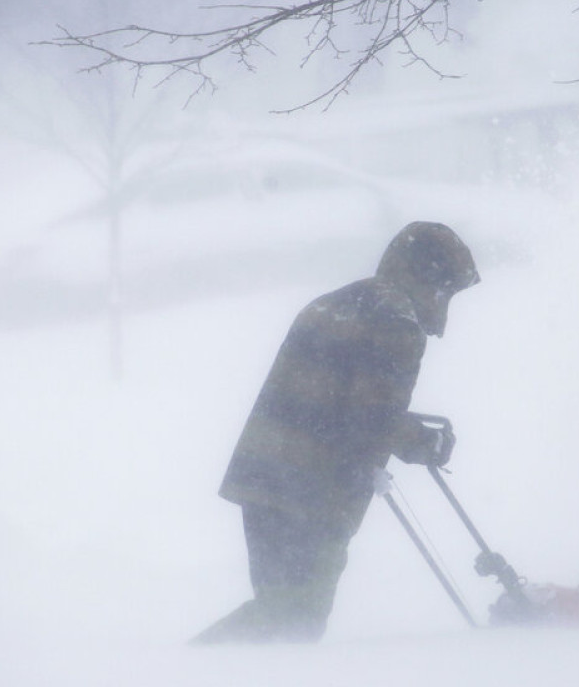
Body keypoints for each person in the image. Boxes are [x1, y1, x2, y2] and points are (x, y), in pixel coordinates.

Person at [192, 222, 480, 644]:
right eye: (447, 288)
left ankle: (195, 668)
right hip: (314, 490)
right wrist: (425, 443)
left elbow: (340, 397)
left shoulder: (337, 303)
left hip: (264, 476)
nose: (445, 301)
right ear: (431, 278)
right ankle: (179, 670)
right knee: (294, 620)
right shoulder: (397, 321)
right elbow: (372, 417)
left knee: (280, 611)